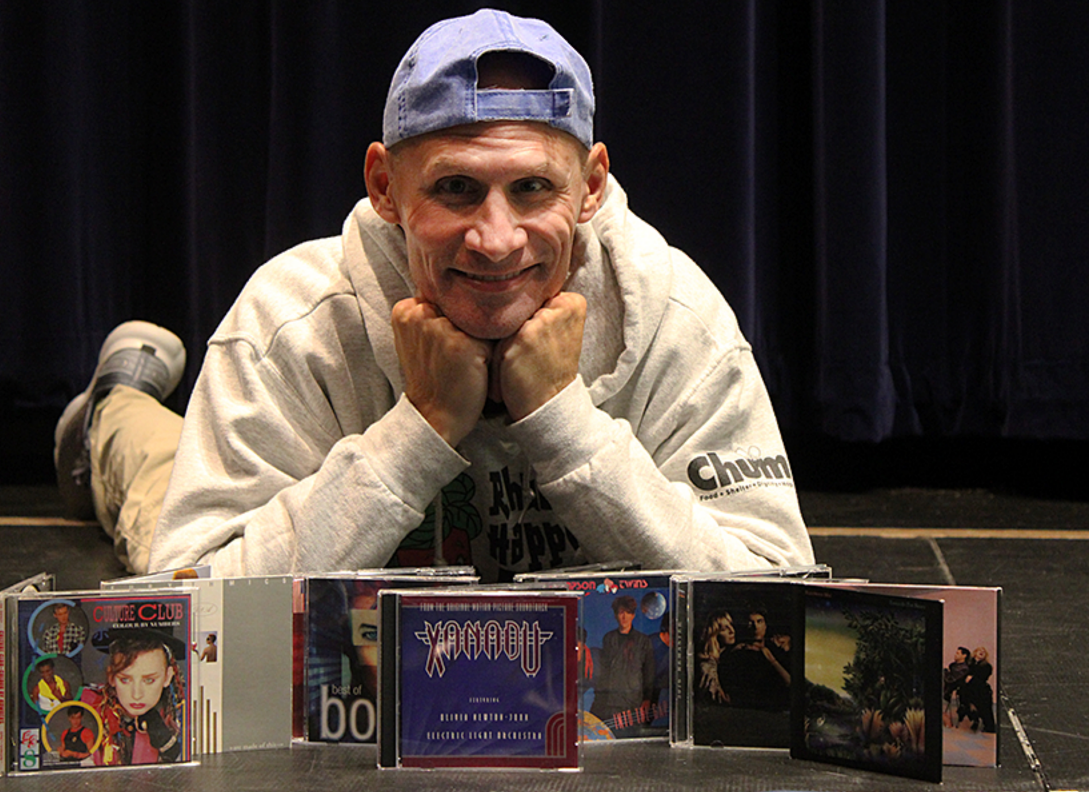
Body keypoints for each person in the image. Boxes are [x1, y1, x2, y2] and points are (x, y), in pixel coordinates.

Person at [54, 9, 814, 582]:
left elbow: (775, 594)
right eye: (455, 188)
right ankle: (110, 416)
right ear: (384, 186)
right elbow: (189, 611)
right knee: (153, 494)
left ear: (589, 187)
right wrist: (418, 429)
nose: (495, 238)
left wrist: (563, 422)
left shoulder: (670, 314)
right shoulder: (293, 319)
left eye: (531, 189)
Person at [81, 629, 186, 766]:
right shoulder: (86, 708)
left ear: (167, 677)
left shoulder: (183, 719)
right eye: (125, 680)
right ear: (111, 676)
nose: (136, 694)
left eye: (149, 680)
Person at [590, 595, 655, 731]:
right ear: (615, 615)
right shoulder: (609, 638)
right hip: (611, 700)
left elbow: (649, 671)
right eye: (621, 612)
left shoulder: (643, 641)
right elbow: (605, 669)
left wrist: (647, 698)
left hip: (633, 700)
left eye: (628, 612)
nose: (624, 617)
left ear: (633, 615)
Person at [718, 606, 790, 709]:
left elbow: (791, 683)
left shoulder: (776, 646)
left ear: (765, 625)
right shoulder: (738, 653)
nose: (755, 627)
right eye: (751, 623)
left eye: (759, 621)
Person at [696, 609, 736, 704]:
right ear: (714, 634)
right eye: (724, 629)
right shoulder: (707, 665)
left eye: (731, 625)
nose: (731, 631)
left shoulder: (730, 654)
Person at [960, 646, 996, 734]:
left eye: (983, 651)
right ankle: (974, 717)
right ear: (975, 652)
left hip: (981, 690)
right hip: (970, 690)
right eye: (979, 650)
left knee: (984, 705)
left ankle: (988, 726)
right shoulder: (969, 664)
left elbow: (982, 677)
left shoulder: (987, 666)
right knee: (965, 700)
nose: (981, 652)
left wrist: (971, 678)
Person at [943, 646, 971, 727]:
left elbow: (951, 680)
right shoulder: (953, 666)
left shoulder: (963, 668)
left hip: (952, 690)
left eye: (958, 653)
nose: (955, 655)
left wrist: (945, 672)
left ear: (964, 655)